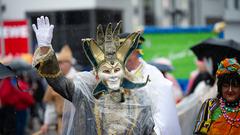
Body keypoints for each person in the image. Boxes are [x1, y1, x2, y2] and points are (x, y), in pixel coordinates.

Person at [32, 16, 180, 135]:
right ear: (97, 74)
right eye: (107, 71)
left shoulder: (139, 97)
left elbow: (149, 130)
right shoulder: (88, 92)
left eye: (116, 70)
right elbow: (59, 83)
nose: (113, 75)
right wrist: (45, 49)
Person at [194, 58, 240, 134]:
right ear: (220, 88)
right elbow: (199, 133)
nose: (230, 90)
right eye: (225, 86)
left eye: (235, 86)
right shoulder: (210, 105)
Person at [40, 45, 78, 134]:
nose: (60, 65)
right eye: (59, 63)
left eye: (62, 63)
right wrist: (46, 123)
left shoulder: (79, 79)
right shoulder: (54, 82)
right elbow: (51, 106)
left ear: (69, 63)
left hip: (77, 121)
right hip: (62, 123)